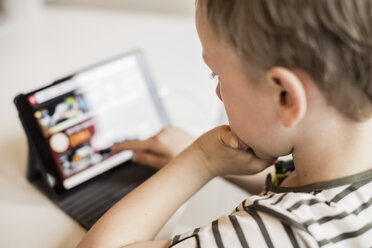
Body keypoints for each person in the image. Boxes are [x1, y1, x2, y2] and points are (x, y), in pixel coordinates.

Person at [78, 0, 372, 247]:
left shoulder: (275, 233)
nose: (218, 93)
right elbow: (304, 186)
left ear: (284, 96)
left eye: (217, 75)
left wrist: (199, 161)